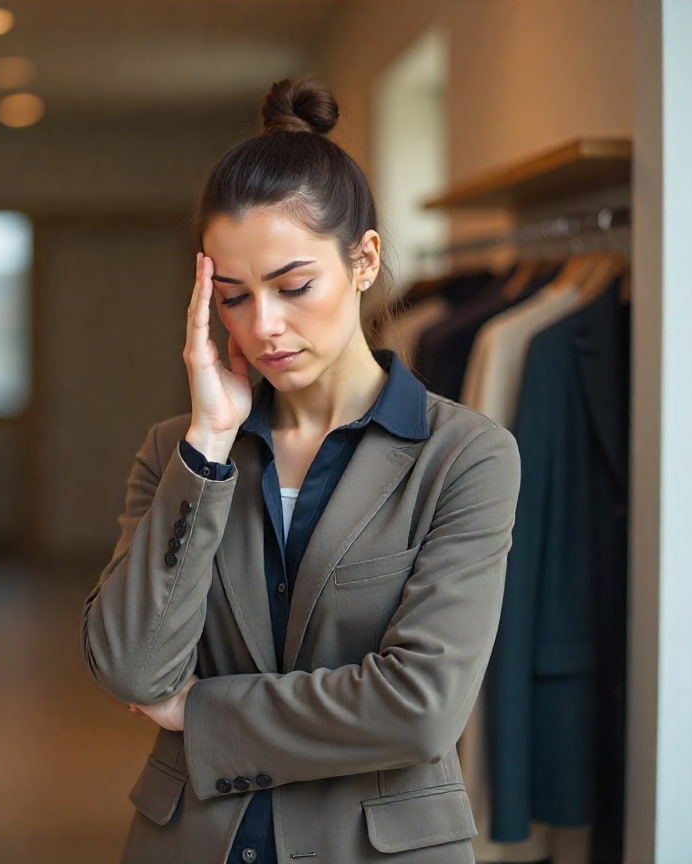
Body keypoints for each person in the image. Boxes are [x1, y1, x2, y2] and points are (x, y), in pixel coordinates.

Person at [82, 79, 522, 864]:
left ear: (364, 260)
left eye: (292, 287)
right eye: (233, 298)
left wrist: (205, 714)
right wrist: (210, 443)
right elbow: (133, 668)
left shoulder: (465, 456)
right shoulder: (176, 453)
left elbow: (420, 709)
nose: (263, 327)